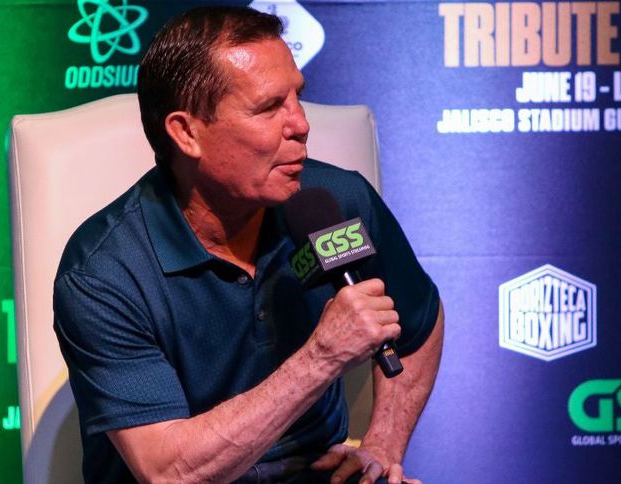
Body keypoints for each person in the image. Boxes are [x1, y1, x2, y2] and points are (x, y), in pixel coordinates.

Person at [53, 6, 443, 484]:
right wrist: (321, 357)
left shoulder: (335, 203)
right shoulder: (103, 272)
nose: (300, 124)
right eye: (268, 107)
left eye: (298, 97)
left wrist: (384, 443)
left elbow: (420, 320)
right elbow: (170, 472)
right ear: (186, 133)